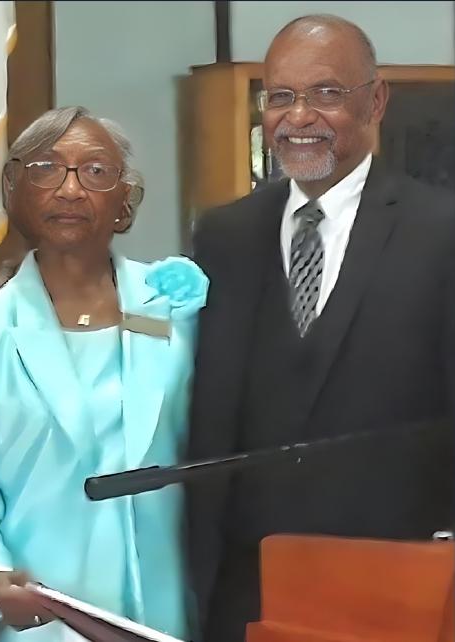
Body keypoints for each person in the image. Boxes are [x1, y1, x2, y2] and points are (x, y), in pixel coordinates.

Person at [187, 15, 455, 642]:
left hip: (393, 582)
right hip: (246, 592)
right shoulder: (223, 236)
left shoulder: (440, 233)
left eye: (326, 93)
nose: (298, 116)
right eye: (280, 96)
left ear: (377, 100)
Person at [0, 106, 208, 641]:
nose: (71, 189)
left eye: (96, 171)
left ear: (127, 199)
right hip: (39, 622)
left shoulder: (174, 309)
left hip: (166, 615)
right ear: (15, 191)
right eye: (47, 169)